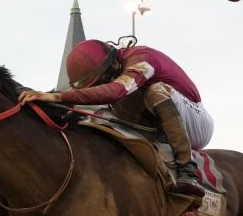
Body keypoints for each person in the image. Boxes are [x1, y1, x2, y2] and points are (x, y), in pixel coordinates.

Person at [19, 39, 212, 198]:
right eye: (100, 83)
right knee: (97, 112)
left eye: (105, 79)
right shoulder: (111, 64)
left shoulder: (143, 58)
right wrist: (42, 99)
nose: (105, 83)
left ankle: (187, 170)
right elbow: (81, 96)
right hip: (157, 124)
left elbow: (116, 90)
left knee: (155, 91)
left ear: (114, 63)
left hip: (196, 123)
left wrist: (58, 96)